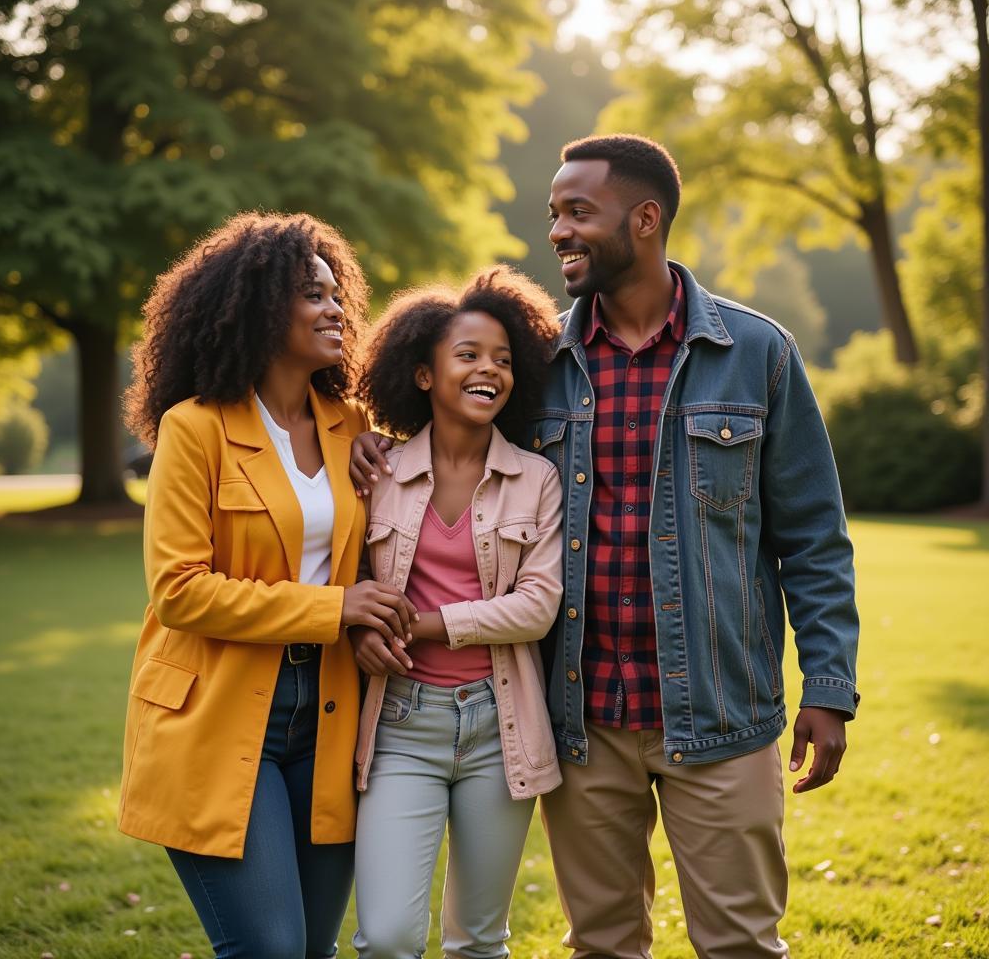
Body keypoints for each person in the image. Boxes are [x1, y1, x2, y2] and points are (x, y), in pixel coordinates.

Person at [352, 135, 860, 959]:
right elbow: (446, 447)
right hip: (578, 722)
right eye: (554, 214)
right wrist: (366, 443)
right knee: (604, 946)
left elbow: (814, 541)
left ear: (646, 219)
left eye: (577, 212)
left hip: (721, 715)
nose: (557, 232)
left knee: (739, 944)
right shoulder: (538, 363)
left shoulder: (757, 354)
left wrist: (830, 687)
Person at [119, 211, 416, 959]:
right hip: (217, 712)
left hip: (331, 714)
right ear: (258, 307)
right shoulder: (195, 429)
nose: (336, 309)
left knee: (313, 950)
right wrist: (337, 608)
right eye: (311, 295)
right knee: (270, 950)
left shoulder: (355, 428)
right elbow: (180, 590)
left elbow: (388, 539)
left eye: (337, 293)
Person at [349, 268, 564, 959]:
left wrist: (424, 623)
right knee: (386, 938)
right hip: (401, 724)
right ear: (422, 374)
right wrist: (358, 626)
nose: (489, 371)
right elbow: (343, 580)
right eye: (468, 355)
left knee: (478, 941)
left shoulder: (537, 479)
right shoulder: (375, 473)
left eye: (503, 359)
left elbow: (536, 606)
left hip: (499, 729)